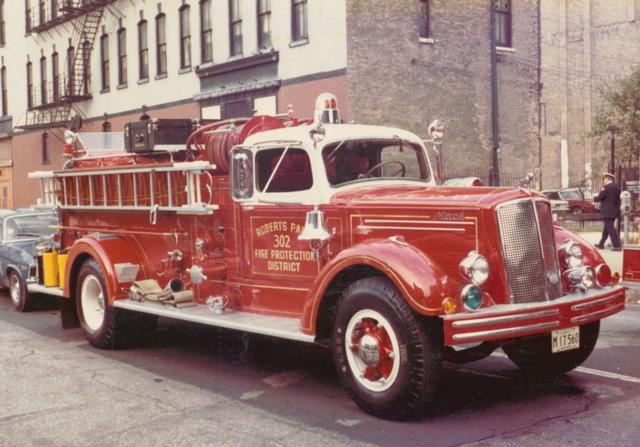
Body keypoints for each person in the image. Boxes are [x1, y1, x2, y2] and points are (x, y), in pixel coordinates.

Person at [594, 172, 621, 251]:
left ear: (608, 179)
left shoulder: (606, 187)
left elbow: (599, 197)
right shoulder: (617, 187)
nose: (604, 181)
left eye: (604, 179)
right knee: (607, 228)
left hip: (607, 211)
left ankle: (617, 246)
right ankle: (601, 244)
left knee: (611, 229)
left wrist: (594, 198)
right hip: (614, 211)